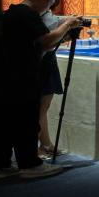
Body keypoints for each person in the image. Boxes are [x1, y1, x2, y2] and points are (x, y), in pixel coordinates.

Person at [0, 0, 83, 180]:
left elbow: (36, 45)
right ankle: (30, 164)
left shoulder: (12, 13)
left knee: (4, 122)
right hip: (21, 77)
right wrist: (67, 24)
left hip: (3, 76)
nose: (48, 8)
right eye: (49, 3)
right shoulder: (28, 14)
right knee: (26, 121)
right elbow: (46, 41)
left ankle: (0, 166)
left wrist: (62, 35)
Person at [36, 9, 67, 159]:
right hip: (42, 62)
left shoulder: (42, 13)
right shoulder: (36, 15)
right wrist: (67, 25)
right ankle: (35, 149)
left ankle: (46, 144)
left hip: (46, 60)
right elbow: (46, 41)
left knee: (43, 108)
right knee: (40, 108)